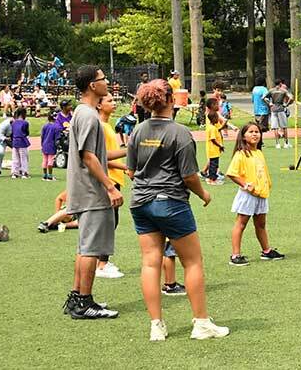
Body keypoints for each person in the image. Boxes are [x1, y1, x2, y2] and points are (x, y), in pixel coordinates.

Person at [127, 79, 228, 341]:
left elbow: (130, 171)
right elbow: (189, 176)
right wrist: (204, 194)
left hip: (140, 203)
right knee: (192, 261)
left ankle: (156, 326)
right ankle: (201, 323)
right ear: (171, 101)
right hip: (171, 202)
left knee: (150, 263)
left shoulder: (138, 131)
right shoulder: (180, 133)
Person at [61, 65, 123, 320]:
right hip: (92, 192)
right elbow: (88, 157)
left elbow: (97, 154)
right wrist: (109, 187)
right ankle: (84, 302)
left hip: (85, 191)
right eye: (102, 79)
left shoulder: (82, 113)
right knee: (91, 249)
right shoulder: (88, 116)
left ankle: (77, 298)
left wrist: (129, 150)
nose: (107, 82)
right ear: (92, 86)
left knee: (84, 247)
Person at [225, 122, 285, 265]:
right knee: (241, 224)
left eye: (257, 132)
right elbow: (232, 173)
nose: (254, 134)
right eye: (251, 132)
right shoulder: (241, 154)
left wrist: (266, 185)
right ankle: (235, 255)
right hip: (248, 195)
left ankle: (266, 251)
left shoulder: (258, 152)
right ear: (244, 136)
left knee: (261, 224)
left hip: (261, 194)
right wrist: (246, 185)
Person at [96, 93, 130, 279]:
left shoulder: (107, 125)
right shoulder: (100, 126)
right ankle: (102, 264)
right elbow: (103, 157)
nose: (113, 103)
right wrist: (128, 154)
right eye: (109, 101)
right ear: (99, 106)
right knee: (109, 222)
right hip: (109, 180)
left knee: (111, 221)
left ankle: (101, 261)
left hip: (115, 178)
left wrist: (124, 168)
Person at [202, 98, 226, 185]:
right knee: (213, 165)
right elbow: (213, 139)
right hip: (213, 149)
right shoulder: (212, 127)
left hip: (215, 150)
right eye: (216, 117)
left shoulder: (214, 126)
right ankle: (212, 179)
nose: (218, 119)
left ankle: (212, 177)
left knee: (214, 164)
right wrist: (220, 146)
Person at [265, 79, 292, 148]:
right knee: (284, 127)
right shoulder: (283, 91)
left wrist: (270, 103)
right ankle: (286, 143)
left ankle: (277, 144)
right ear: (280, 83)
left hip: (273, 109)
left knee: (275, 127)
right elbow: (291, 98)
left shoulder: (271, 90)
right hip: (281, 109)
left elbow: (264, 98)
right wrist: (286, 104)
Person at [10, 108, 31, 179]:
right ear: (23, 114)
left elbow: (11, 133)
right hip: (22, 142)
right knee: (23, 158)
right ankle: (24, 173)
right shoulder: (25, 123)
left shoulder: (13, 123)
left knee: (15, 158)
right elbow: (27, 132)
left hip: (15, 141)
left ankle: (14, 173)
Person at [0, 112, 13, 178]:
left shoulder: (21, 123)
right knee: (0, 152)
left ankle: (18, 169)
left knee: (21, 151)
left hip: (10, 139)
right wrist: (6, 139)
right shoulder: (5, 124)